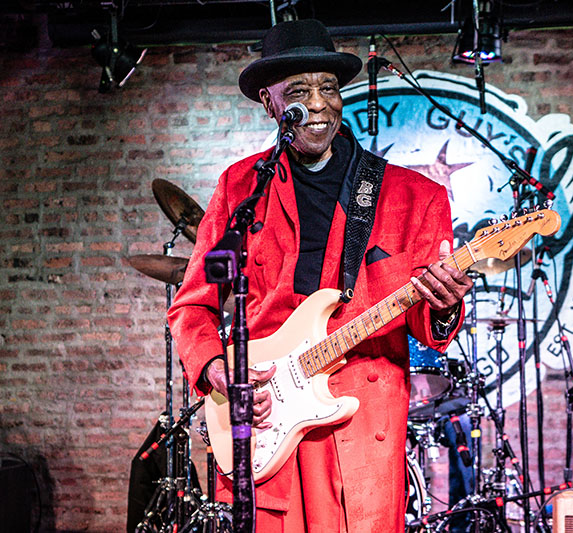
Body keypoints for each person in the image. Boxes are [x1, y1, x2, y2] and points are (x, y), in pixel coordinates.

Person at [168, 19, 473, 532]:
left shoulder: (414, 197)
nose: (319, 104)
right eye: (300, 92)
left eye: (329, 89)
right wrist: (221, 373)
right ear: (270, 103)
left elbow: (428, 326)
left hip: (361, 421)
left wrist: (443, 304)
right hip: (263, 415)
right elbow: (194, 304)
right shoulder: (240, 188)